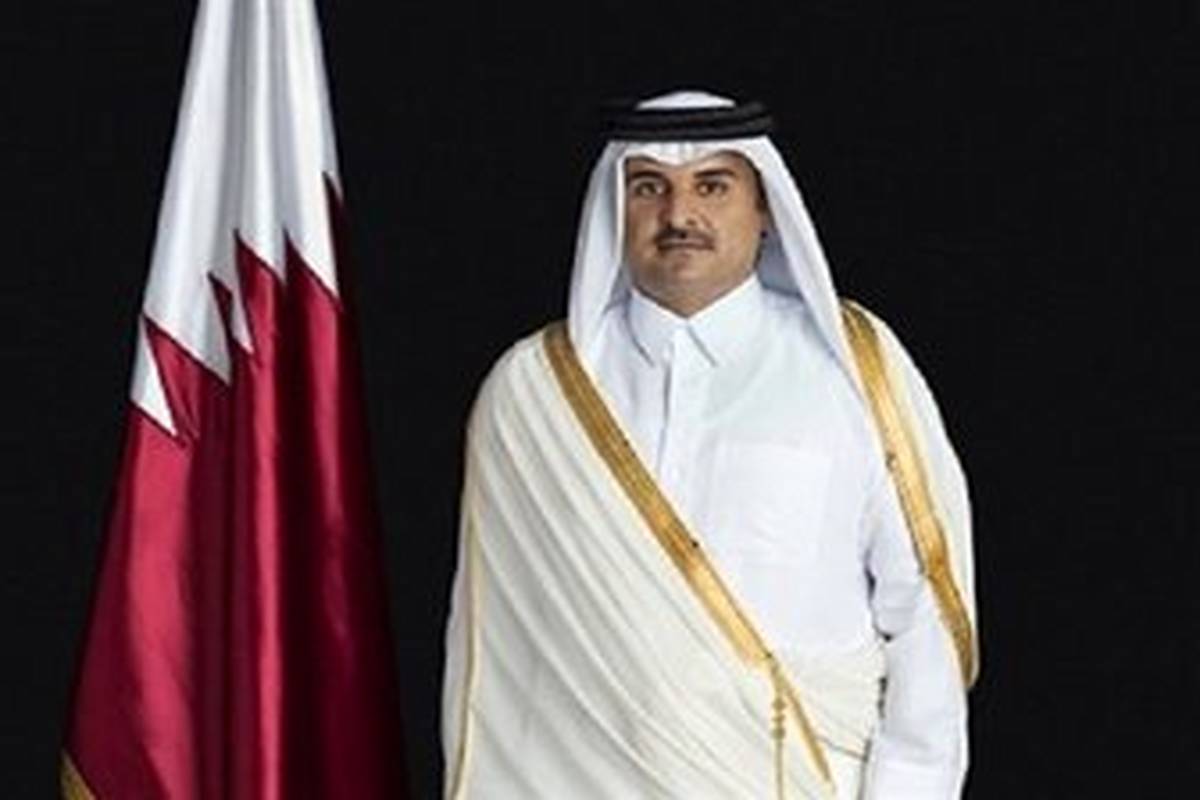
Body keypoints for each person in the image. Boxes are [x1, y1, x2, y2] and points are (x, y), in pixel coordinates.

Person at [441, 90, 978, 799]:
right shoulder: (533, 390)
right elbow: (494, 650)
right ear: (615, 209)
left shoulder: (850, 371)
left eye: (713, 186)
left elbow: (924, 613)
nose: (679, 215)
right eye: (649, 188)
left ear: (765, 210)